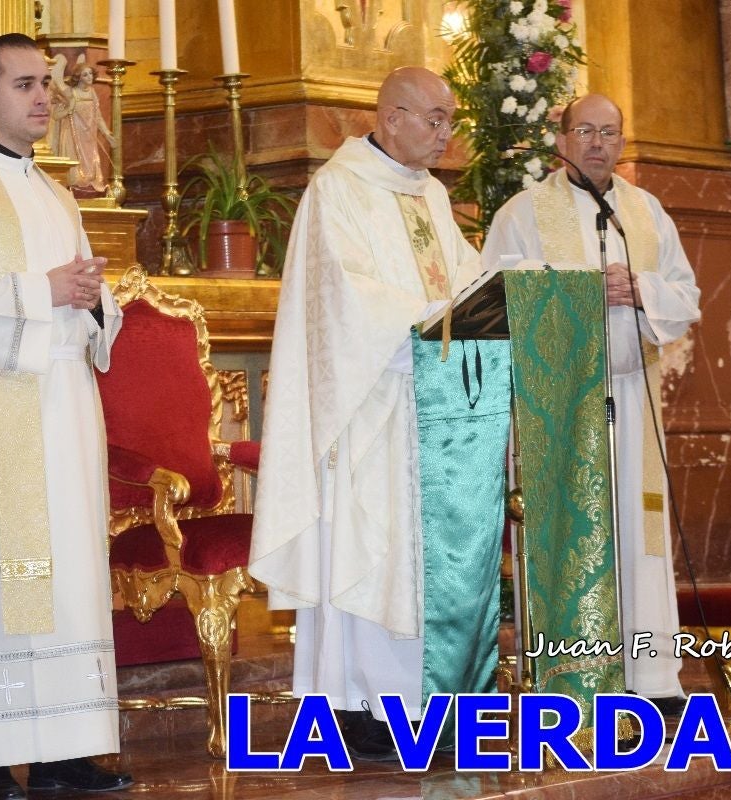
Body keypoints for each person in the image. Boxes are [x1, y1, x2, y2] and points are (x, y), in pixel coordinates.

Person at [249, 67, 491, 760]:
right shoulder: (339, 190)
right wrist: (430, 319)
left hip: (430, 410)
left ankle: (423, 702)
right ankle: (359, 704)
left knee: (420, 562)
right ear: (390, 117)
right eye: (434, 119)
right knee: (369, 551)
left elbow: (469, 282)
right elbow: (343, 297)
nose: (446, 134)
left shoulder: (431, 196)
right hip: (368, 409)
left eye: (450, 120)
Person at [0, 34, 130, 799]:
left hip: (65, 408)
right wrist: (45, 290)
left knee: (70, 577)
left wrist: (94, 300)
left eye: (46, 83)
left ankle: (63, 752)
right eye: (25, 84)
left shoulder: (55, 192)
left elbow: (87, 299)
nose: (45, 97)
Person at [481, 93, 701, 711]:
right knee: (574, 534)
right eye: (585, 131)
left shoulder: (645, 211)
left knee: (637, 532)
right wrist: (578, 294)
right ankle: (573, 679)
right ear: (562, 140)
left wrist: (641, 288)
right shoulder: (523, 213)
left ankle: (649, 680)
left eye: (609, 132)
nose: (597, 143)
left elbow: (686, 295)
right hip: (561, 402)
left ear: (622, 143)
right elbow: (494, 296)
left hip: (632, 396)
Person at [49, 59, 115, 193]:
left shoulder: (92, 92)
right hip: (72, 134)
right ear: (78, 77)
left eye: (90, 74)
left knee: (90, 160)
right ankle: (75, 185)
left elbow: (97, 116)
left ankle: (89, 184)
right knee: (75, 161)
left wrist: (107, 133)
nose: (89, 77)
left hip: (89, 134)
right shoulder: (71, 92)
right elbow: (56, 115)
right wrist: (69, 109)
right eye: (85, 74)